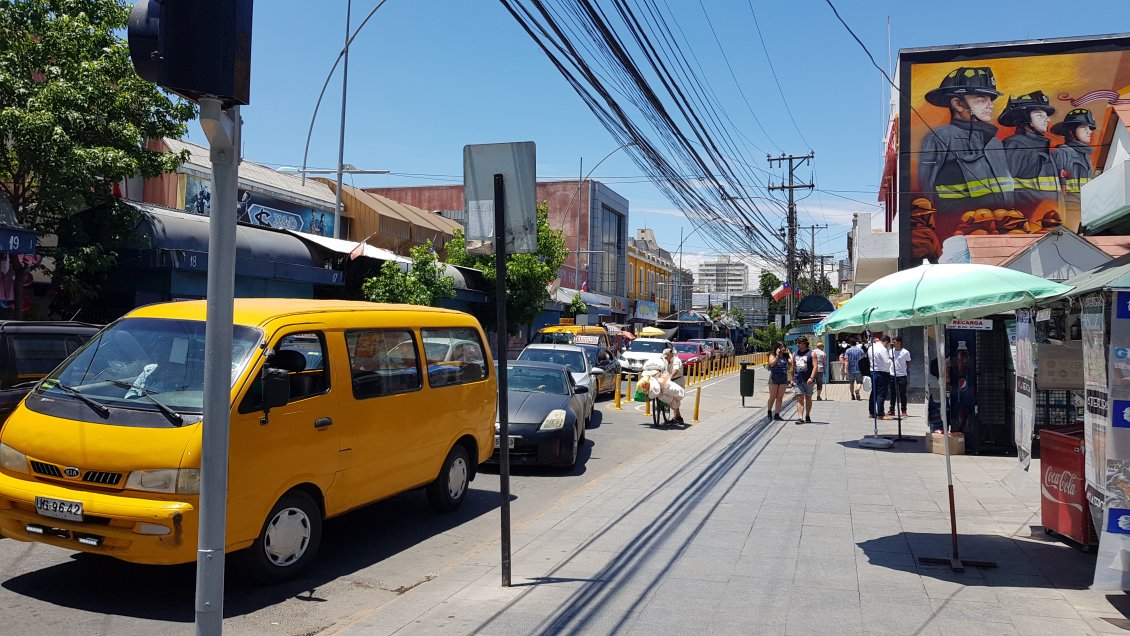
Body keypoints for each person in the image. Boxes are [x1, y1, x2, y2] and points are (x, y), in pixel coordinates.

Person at [918, 67, 1014, 231]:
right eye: (980, 100)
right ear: (957, 104)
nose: (990, 105)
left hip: (998, 229)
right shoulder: (941, 137)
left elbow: (1007, 188)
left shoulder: (995, 143)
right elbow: (924, 188)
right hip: (957, 229)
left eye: (991, 99)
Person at [999, 91, 1058, 212]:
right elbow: (1005, 186)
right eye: (1039, 115)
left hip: (1044, 215)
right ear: (1025, 119)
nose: (1047, 119)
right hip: (1025, 217)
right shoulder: (1016, 144)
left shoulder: (1041, 145)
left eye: (1046, 115)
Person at [1052, 108, 1097, 231]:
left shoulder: (1085, 156)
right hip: (1069, 210)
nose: (1089, 132)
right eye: (1084, 128)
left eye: (1090, 128)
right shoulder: (1062, 153)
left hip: (1085, 210)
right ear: (1071, 132)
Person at [792, 336, 816, 423]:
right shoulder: (795, 354)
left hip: (808, 379)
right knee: (799, 398)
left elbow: (815, 366)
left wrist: (812, 377)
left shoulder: (811, 353)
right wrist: (792, 379)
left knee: (808, 398)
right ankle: (800, 417)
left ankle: (807, 415)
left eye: (799, 343)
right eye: (796, 343)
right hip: (798, 379)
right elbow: (793, 367)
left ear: (804, 343)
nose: (797, 345)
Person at [868, 335, 892, 419]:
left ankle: (872, 412)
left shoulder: (871, 348)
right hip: (882, 373)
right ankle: (881, 413)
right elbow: (886, 362)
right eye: (888, 344)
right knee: (881, 393)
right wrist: (891, 360)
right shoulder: (883, 349)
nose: (888, 346)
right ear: (886, 342)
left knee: (873, 392)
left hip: (872, 371)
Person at [767, 341, 791, 421]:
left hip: (783, 377)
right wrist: (777, 355)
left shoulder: (785, 356)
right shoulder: (772, 355)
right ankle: (769, 411)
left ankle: (777, 414)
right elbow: (771, 364)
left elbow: (789, 366)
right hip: (774, 377)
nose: (783, 348)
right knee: (772, 397)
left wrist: (789, 355)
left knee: (780, 397)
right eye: (781, 347)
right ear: (777, 348)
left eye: (783, 346)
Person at [888, 336, 911, 417]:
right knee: (892, 393)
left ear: (899, 342)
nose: (892, 344)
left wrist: (903, 369)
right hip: (892, 375)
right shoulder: (891, 351)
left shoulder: (905, 352)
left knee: (902, 394)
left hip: (902, 375)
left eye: (894, 342)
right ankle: (891, 409)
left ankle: (904, 410)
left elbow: (909, 363)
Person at [661, 348, 685, 424]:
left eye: (666, 356)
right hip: (671, 381)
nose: (665, 358)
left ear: (671, 354)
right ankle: (677, 417)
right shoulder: (666, 360)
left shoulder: (676, 360)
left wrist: (670, 377)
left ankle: (678, 417)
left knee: (676, 399)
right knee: (673, 399)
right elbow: (663, 368)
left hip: (678, 380)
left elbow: (676, 370)